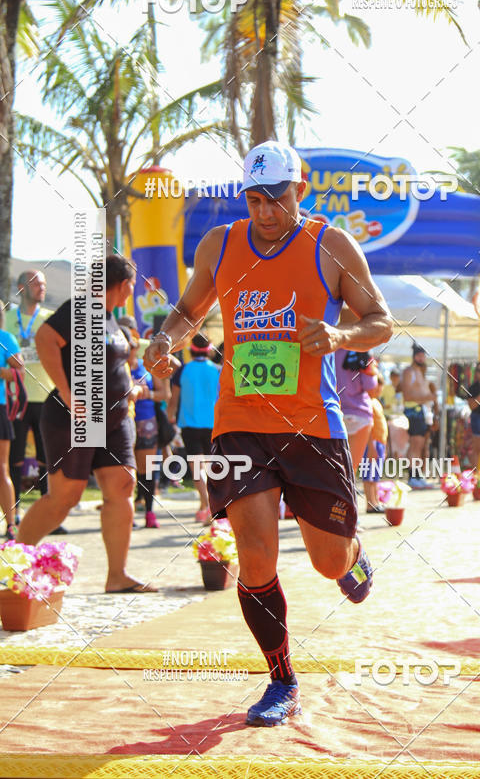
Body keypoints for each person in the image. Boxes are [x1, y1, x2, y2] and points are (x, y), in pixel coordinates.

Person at [144, 139, 392, 727]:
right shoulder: (219, 244)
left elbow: (379, 322)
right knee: (254, 557)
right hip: (240, 424)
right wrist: (164, 338)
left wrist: (338, 337)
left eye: (276, 199)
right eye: (253, 199)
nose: (264, 211)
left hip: (313, 425)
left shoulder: (331, 245)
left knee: (329, 563)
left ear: (298, 191)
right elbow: (188, 311)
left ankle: (353, 557)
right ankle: (281, 679)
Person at [18, 255, 157, 594]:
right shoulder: (82, 309)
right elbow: (45, 339)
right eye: (132, 285)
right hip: (73, 419)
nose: (131, 291)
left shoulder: (111, 319)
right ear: (124, 284)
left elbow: (113, 367)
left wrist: (134, 389)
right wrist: (67, 392)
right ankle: (13, 562)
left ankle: (117, 575)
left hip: (116, 419)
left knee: (122, 487)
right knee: (64, 497)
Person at [5, 271, 62, 528]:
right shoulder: (6, 318)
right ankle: (13, 515)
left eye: (44, 284)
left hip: (47, 396)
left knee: (48, 459)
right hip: (15, 398)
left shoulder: (50, 319)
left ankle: (49, 518)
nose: (41, 287)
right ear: (21, 288)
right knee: (13, 459)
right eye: (36, 283)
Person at [167, 333, 220, 523]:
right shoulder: (218, 370)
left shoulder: (183, 371)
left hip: (189, 424)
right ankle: (209, 505)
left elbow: (173, 399)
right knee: (212, 468)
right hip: (214, 423)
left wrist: (169, 417)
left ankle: (206, 505)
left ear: (190, 349)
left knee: (196, 466)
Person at [127, 332, 170, 528]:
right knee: (126, 471)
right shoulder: (112, 366)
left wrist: (147, 393)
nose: (129, 350)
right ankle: (129, 514)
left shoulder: (147, 366)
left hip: (146, 421)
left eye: (132, 346)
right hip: (123, 420)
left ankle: (150, 512)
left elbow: (164, 393)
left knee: (147, 470)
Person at [334, 343, 378, 509]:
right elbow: (371, 388)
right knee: (351, 470)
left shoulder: (332, 347)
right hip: (360, 415)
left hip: (336, 413)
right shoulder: (364, 349)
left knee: (338, 469)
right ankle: (351, 519)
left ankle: (338, 515)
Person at [0, 301, 24, 538]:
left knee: (1, 468)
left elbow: (20, 374)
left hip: (0, 408)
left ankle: (11, 524)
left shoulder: (6, 339)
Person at [401, 343, 436, 488]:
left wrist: (428, 398)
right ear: (414, 356)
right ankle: (412, 476)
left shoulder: (419, 372)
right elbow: (407, 395)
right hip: (413, 411)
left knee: (420, 445)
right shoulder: (409, 372)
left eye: (423, 355)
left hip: (422, 411)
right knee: (415, 444)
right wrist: (427, 397)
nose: (421, 358)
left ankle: (417, 475)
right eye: (419, 355)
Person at [360, 376, 389, 510]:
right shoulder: (367, 402)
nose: (379, 388)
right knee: (368, 475)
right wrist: (371, 446)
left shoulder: (376, 402)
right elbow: (369, 426)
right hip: (371, 443)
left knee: (375, 475)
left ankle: (376, 501)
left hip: (380, 443)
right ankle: (370, 504)